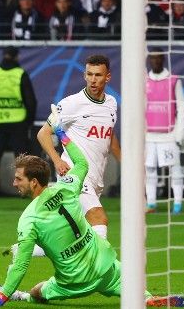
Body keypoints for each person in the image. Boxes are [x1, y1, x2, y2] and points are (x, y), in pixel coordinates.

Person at [0, 110, 184, 308]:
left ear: (34, 182)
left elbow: (21, 265)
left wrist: (0, 298)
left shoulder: (29, 218)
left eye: (18, 179)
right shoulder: (67, 187)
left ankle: (21, 296)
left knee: (39, 291)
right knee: (125, 279)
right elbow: (82, 164)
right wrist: (62, 134)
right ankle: (147, 297)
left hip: (75, 281)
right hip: (104, 265)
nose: (14, 183)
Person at [34, 54, 120, 258]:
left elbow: (109, 134)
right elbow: (43, 133)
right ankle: (104, 268)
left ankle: (28, 250)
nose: (93, 79)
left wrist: (123, 159)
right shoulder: (72, 103)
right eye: (89, 74)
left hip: (96, 176)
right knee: (99, 218)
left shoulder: (112, 103)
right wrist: (57, 160)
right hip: (75, 174)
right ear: (84, 75)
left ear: (107, 77)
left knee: (74, 232)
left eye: (98, 75)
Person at [0, 46, 36, 197]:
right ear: (16, 57)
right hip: (18, 121)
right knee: (22, 159)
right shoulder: (19, 74)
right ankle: (26, 191)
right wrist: (28, 121)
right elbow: (30, 100)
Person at [145, 52, 184, 214]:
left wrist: (179, 134)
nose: (155, 61)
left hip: (169, 135)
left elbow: (182, 107)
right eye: (152, 58)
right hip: (149, 136)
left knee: (174, 168)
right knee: (149, 169)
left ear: (163, 59)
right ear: (149, 60)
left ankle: (177, 204)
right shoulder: (144, 81)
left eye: (158, 58)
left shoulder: (174, 80)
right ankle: (151, 203)